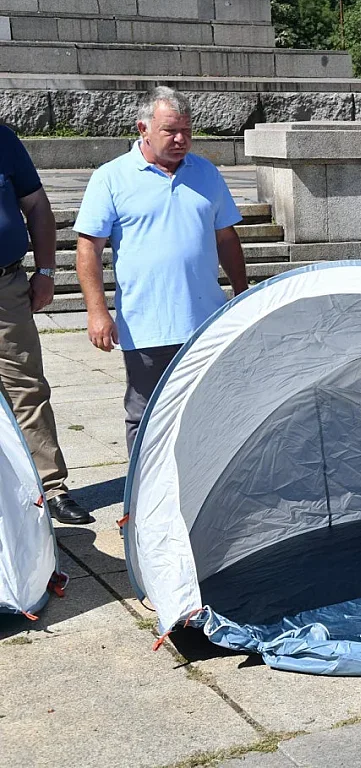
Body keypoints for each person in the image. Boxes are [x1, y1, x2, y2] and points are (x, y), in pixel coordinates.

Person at [75, 87, 249, 453]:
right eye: (171, 131)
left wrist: (242, 291)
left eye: (187, 130)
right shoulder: (111, 178)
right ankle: (142, 503)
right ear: (143, 129)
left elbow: (227, 239)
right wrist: (97, 310)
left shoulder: (206, 173)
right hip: (145, 325)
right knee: (145, 417)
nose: (181, 139)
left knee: (208, 410)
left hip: (205, 322)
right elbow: (88, 249)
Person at [0, 127, 92, 524]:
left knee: (27, 386)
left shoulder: (3, 140)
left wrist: (46, 270)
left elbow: (36, 205)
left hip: (6, 286)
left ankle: (51, 488)